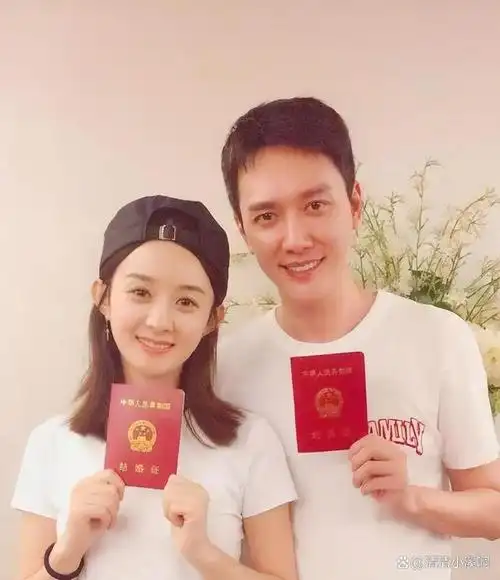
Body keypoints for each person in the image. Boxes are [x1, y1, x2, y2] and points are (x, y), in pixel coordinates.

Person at [215, 96, 500, 579]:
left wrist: (410, 498)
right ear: (242, 229)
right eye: (266, 217)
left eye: (315, 205)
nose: (295, 238)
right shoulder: (225, 366)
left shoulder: (436, 337)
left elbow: (493, 509)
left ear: (354, 204)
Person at [11, 195, 299, 580]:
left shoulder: (250, 441)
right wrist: (68, 549)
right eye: (140, 293)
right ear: (103, 297)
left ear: (213, 319)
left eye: (186, 301)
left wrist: (204, 554)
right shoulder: (52, 442)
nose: (160, 321)